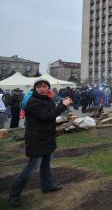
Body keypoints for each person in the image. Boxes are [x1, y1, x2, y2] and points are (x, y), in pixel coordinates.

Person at [8, 78, 73, 207]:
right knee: (32, 167)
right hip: (36, 139)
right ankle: (14, 194)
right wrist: (63, 105)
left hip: (47, 137)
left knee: (46, 164)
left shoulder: (47, 100)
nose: (42, 88)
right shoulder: (33, 102)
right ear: (35, 89)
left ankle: (47, 186)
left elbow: (50, 114)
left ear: (48, 88)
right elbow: (46, 116)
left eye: (44, 86)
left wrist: (60, 104)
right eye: (39, 87)